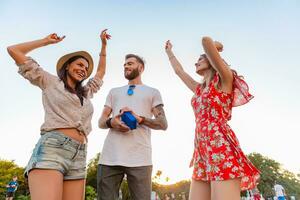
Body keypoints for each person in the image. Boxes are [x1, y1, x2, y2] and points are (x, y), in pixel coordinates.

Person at [7, 29, 110, 200]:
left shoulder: (85, 93)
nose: (83, 69)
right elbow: (14, 50)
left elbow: (100, 74)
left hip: (80, 154)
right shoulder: (49, 81)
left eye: (86, 68)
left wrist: (104, 46)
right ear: (67, 66)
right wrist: (45, 41)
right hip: (53, 149)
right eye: (79, 64)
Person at [165, 37, 260, 200]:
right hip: (202, 151)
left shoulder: (225, 80)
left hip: (221, 148)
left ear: (211, 60)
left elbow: (205, 40)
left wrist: (215, 48)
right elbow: (179, 72)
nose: (196, 63)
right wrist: (169, 52)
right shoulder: (199, 89)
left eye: (200, 59)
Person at [97, 54, 168, 200]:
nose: (126, 66)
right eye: (124, 65)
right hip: (110, 158)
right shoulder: (114, 92)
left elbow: (163, 123)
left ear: (141, 68)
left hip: (140, 158)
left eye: (130, 63)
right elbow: (101, 121)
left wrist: (140, 119)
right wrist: (112, 123)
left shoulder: (152, 92)